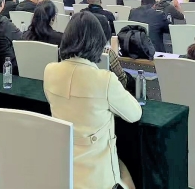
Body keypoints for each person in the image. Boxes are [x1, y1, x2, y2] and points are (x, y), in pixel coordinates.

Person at [44, 12, 142, 189]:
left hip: (64, 170)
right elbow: (135, 114)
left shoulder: (50, 71)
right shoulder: (104, 80)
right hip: (98, 176)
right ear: (98, 42)